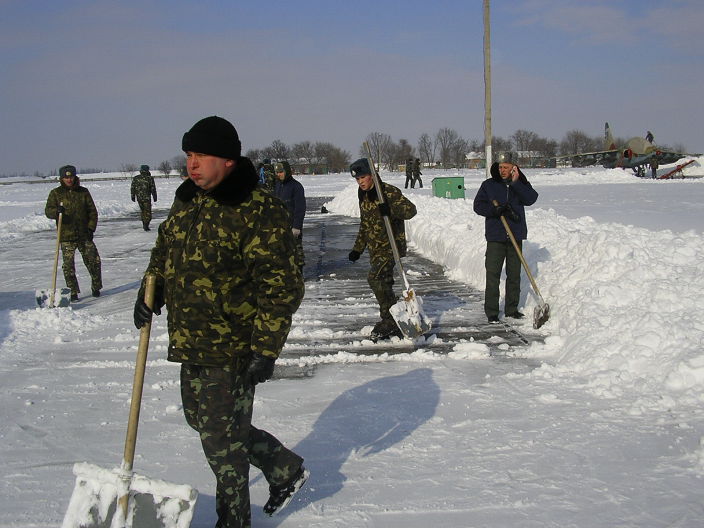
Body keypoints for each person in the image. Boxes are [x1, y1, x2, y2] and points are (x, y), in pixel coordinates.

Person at [133, 116, 308, 528]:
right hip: (192, 339)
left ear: (228, 160)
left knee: (221, 442)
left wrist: (265, 349)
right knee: (204, 422)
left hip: (233, 345)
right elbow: (164, 250)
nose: (192, 164)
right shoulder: (187, 201)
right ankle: (283, 467)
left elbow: (282, 288)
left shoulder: (257, 209)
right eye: (189, 155)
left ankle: (234, 521)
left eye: (202, 155)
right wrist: (149, 291)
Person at [348, 158, 417, 340]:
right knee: (384, 282)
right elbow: (365, 223)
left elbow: (411, 211)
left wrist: (391, 209)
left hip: (391, 246)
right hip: (374, 248)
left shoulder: (388, 191)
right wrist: (357, 248)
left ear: (372, 175)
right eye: (357, 179)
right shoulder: (362, 194)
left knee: (375, 278)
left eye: (363, 177)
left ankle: (390, 319)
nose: (360, 182)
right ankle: (392, 319)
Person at [473, 153, 538, 323]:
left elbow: (531, 199)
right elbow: (478, 206)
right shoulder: (489, 185)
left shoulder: (520, 183)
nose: (502, 170)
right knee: (493, 273)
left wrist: (516, 183)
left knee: (514, 274)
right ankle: (492, 312)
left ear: (513, 168)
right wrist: (493, 211)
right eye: (500, 167)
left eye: (506, 167)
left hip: (515, 235)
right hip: (496, 236)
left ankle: (511, 309)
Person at [44, 165, 102, 301]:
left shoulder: (83, 192)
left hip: (84, 234)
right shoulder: (56, 193)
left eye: (71, 177)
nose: (69, 180)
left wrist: (90, 228)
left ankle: (96, 286)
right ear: (61, 178)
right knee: (68, 266)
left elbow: (93, 212)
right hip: (66, 236)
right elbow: (48, 211)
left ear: (75, 177)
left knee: (94, 262)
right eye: (66, 177)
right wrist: (56, 211)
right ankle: (73, 291)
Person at [273, 160, 306, 271]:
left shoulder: (296, 187)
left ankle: (299, 274)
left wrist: (297, 226)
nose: (279, 174)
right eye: (277, 172)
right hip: (279, 226)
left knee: (296, 254)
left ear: (286, 171)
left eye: (281, 172)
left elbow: (300, 208)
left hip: (292, 226)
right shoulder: (277, 185)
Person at [130, 164, 158, 230]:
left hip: (139, 198)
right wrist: (155, 196)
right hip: (147, 198)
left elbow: (132, 188)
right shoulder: (150, 178)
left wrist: (133, 196)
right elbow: (153, 188)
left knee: (142, 211)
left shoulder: (136, 178)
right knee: (147, 212)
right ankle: (146, 224)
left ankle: (144, 223)